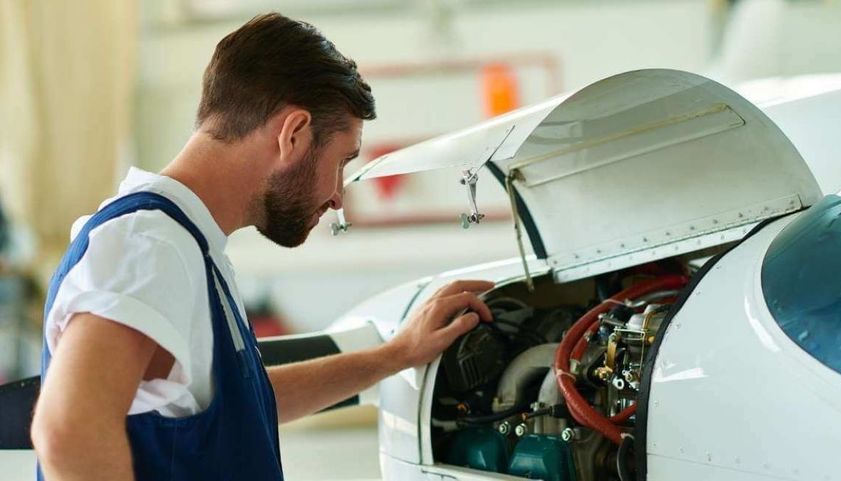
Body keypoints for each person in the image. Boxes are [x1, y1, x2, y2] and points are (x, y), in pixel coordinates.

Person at [30, 13, 494, 481]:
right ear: (292, 134)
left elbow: (242, 405)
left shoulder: (187, 245)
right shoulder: (150, 244)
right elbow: (68, 431)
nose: (337, 195)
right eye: (341, 161)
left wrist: (396, 355)